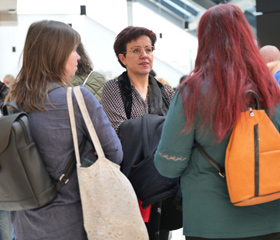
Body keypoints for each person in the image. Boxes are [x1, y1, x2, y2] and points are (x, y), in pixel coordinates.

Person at [154, 4, 280, 240]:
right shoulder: (271, 87)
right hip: (271, 216)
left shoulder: (190, 92)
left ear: (204, 40)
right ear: (246, 36)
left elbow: (168, 166)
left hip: (209, 220)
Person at [6, 20, 122, 240]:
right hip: (71, 221)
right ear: (56, 54)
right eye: (73, 50)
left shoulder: (13, 101)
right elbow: (114, 153)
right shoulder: (76, 98)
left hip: (23, 224)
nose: (78, 56)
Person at [101, 26, 176, 240]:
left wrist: (144, 128)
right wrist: (160, 128)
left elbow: (176, 132)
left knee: (162, 233)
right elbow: (119, 131)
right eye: (135, 50)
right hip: (128, 180)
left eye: (148, 49)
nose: (144, 55)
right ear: (122, 58)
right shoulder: (114, 88)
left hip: (162, 181)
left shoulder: (166, 91)